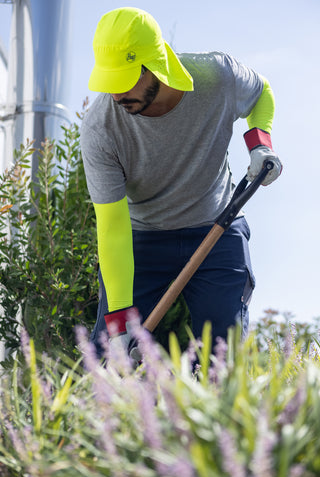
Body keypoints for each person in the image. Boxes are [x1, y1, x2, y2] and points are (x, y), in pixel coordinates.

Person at [80, 7, 282, 358]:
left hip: (216, 229)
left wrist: (260, 145)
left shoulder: (216, 76)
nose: (115, 95)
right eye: (108, 83)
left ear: (155, 63)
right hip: (143, 241)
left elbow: (262, 91)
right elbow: (112, 228)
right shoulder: (101, 129)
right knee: (108, 359)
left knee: (224, 356)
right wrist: (119, 323)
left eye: (124, 80)